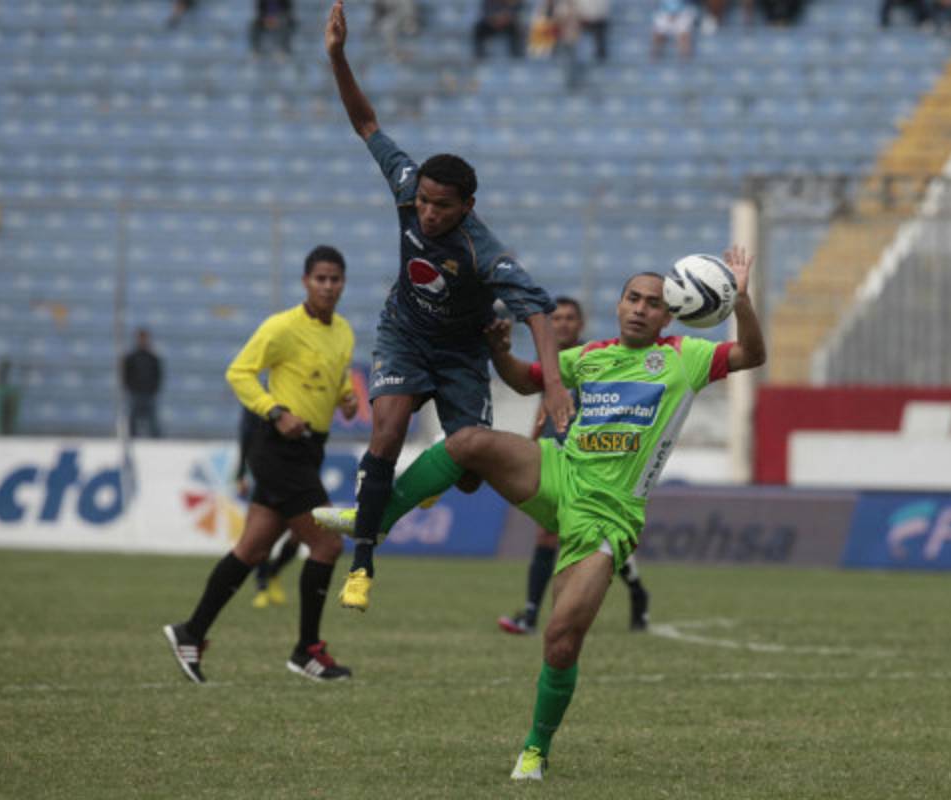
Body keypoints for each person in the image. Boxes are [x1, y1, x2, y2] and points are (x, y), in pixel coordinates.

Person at [316, 247, 765, 780]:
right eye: (632, 299)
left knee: (560, 638)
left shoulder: (684, 358)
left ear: (671, 314)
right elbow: (528, 380)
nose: (641, 309)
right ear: (619, 305)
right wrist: (501, 351)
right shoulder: (590, 355)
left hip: (608, 516)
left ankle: (535, 748)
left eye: (653, 303)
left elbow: (752, 356)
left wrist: (742, 301)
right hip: (558, 472)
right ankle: (377, 522)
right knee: (466, 442)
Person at [326, 0, 574, 611]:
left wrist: (553, 384)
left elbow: (538, 308)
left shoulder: (484, 251)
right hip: (405, 334)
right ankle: (362, 563)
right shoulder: (409, 186)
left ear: (466, 205)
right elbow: (366, 124)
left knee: (467, 472)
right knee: (386, 432)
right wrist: (337, 56)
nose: (428, 213)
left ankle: (426, 484)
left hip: (462, 353)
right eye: (426, 203)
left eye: (442, 206)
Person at [162, 245, 358, 684]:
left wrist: (345, 397)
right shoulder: (282, 327)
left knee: (251, 550)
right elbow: (240, 372)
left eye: (335, 279)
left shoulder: (344, 331)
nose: (328, 286)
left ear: (344, 283)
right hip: (278, 449)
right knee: (327, 545)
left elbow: (338, 375)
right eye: (320, 278)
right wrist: (274, 411)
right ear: (305, 281)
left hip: (310, 449)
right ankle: (307, 650)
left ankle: (191, 632)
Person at [496, 297, 651, 636]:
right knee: (552, 532)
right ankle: (533, 614)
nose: (563, 324)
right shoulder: (549, 363)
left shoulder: (595, 360)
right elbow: (543, 406)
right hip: (554, 454)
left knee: (592, 536)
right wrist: (532, 443)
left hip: (589, 461)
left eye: (569, 318)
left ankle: (635, 591)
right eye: (557, 319)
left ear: (581, 325)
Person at [232, 406, 302, 609]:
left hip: (298, 473)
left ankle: (273, 572)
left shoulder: (297, 393)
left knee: (299, 534)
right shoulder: (258, 399)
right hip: (266, 471)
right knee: (262, 535)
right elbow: (245, 435)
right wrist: (241, 474)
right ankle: (262, 587)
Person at [122, 328, 164, 438]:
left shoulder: (153, 357)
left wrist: (154, 389)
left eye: (144, 338)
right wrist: (131, 388)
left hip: (149, 394)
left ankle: (156, 442)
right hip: (135, 393)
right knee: (132, 419)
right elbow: (125, 375)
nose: (142, 341)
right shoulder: (131, 357)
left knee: (153, 421)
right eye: (140, 338)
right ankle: (131, 439)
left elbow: (158, 375)